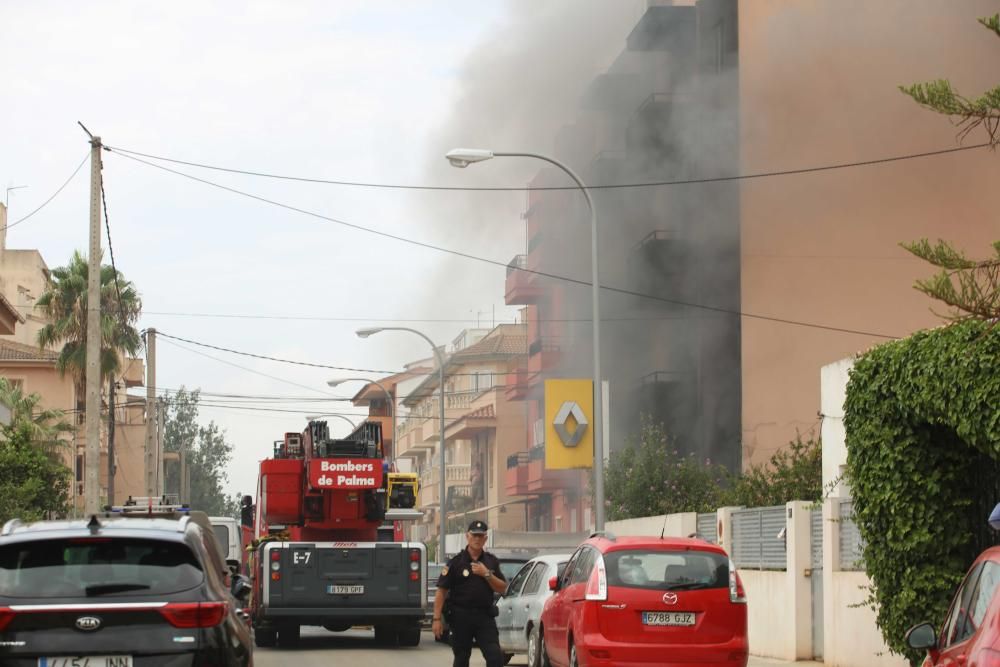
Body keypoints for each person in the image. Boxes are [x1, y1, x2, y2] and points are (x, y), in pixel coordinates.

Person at [432, 520, 507, 667]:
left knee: (495, 657)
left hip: (484, 617)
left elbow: (502, 588)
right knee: (461, 657)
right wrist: (436, 619)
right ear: (467, 536)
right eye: (474, 535)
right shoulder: (456, 562)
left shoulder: (491, 562)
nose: (477, 539)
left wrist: (487, 574)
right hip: (461, 617)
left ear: (485, 538)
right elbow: (441, 591)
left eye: (481, 536)